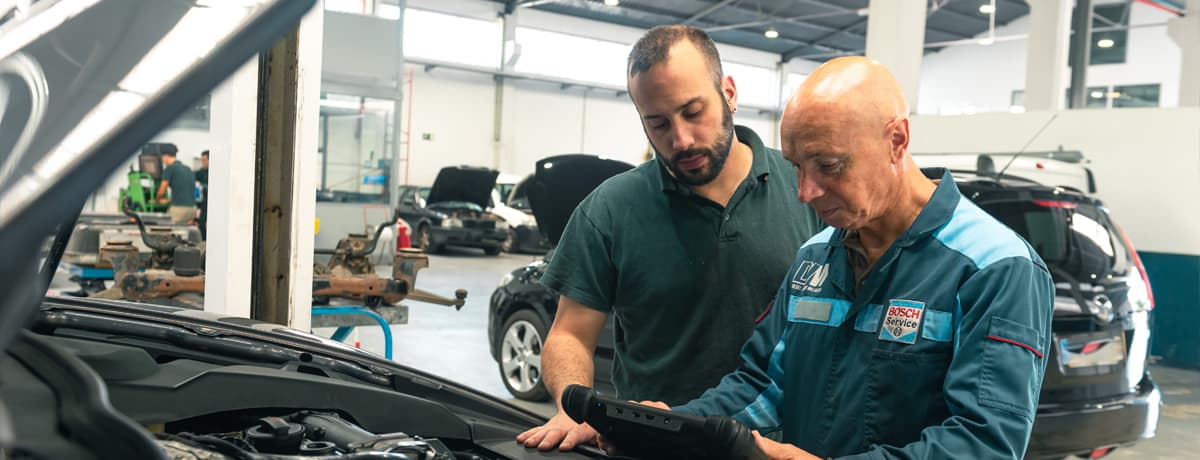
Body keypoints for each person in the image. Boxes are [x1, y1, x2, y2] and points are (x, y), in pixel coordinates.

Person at [663, 57, 1055, 459]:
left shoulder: (994, 268)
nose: (805, 191)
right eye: (796, 167)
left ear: (897, 141)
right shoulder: (815, 257)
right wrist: (670, 426)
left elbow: (985, 444)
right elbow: (763, 385)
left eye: (828, 165)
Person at [516, 25, 824, 452]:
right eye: (657, 123)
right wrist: (573, 406)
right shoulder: (609, 210)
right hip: (654, 445)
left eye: (693, 111)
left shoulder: (808, 190)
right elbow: (569, 334)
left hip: (781, 448)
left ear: (729, 94)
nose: (680, 139)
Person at [155, 148, 196, 225]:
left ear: (166, 157)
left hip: (179, 210)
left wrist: (156, 200)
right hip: (192, 209)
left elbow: (161, 191)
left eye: (162, 158)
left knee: (163, 228)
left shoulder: (170, 168)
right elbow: (184, 191)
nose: (163, 161)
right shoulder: (188, 169)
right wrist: (168, 201)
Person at [195, 150, 209, 239]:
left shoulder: (216, 173)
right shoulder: (201, 172)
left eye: (204, 160)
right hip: (204, 203)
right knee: (201, 224)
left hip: (212, 203)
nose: (202, 162)